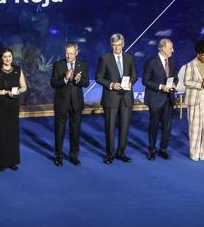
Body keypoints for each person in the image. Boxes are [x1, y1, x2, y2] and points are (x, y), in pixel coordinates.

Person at [96, 33, 137, 164]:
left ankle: (121, 152)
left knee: (124, 127)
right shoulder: (104, 58)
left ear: (123, 44)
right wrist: (111, 84)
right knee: (110, 127)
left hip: (126, 97)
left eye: (119, 45)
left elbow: (134, 75)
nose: (117, 48)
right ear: (111, 45)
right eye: (114, 45)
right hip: (111, 97)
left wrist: (131, 82)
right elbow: (99, 78)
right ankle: (110, 154)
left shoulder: (129, 58)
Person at [50, 42, 89, 166]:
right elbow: (53, 83)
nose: (69, 56)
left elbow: (86, 82)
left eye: (71, 53)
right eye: (67, 53)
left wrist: (79, 80)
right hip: (62, 103)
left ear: (77, 52)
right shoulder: (58, 65)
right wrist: (65, 79)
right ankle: (59, 156)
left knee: (75, 131)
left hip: (76, 103)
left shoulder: (82, 65)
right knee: (59, 131)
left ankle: (73, 156)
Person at [0, 48, 27, 171]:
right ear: (1, 58)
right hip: (0, 105)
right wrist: (6, 92)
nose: (7, 59)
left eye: (9, 56)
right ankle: (1, 161)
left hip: (13, 105)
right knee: (0, 133)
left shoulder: (17, 70)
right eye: (5, 56)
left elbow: (24, 87)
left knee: (12, 133)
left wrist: (16, 92)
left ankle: (12, 161)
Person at [142, 38, 178, 160]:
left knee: (167, 127)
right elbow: (145, 81)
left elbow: (175, 77)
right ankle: (152, 150)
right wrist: (160, 87)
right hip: (155, 99)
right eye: (170, 48)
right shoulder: (152, 62)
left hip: (168, 99)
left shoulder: (172, 61)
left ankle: (163, 149)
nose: (172, 50)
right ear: (162, 48)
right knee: (154, 126)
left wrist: (174, 84)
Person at [184, 40, 204, 161]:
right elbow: (186, 82)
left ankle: (202, 153)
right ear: (198, 54)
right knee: (195, 128)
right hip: (195, 100)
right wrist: (200, 84)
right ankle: (194, 153)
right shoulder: (190, 65)